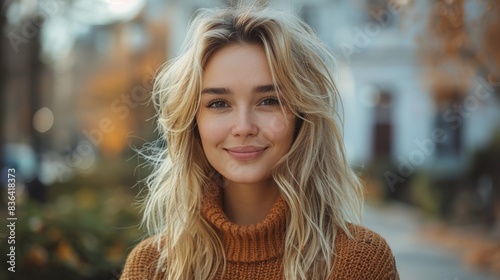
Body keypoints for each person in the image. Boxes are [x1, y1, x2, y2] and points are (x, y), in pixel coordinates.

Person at [121, 4, 399, 280]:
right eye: (219, 103)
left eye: (269, 101)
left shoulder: (360, 261)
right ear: (194, 123)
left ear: (301, 117)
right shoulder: (152, 267)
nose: (243, 127)